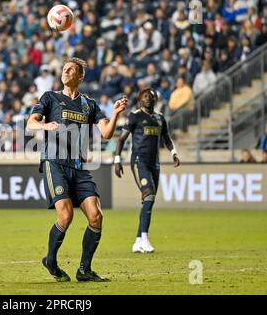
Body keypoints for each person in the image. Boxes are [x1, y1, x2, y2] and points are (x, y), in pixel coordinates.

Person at [27, 57, 127, 282]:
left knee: (96, 216)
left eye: (71, 69)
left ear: (80, 76)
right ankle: (51, 261)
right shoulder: (50, 97)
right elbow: (30, 123)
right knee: (66, 214)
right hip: (55, 162)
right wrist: (44, 125)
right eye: (64, 68)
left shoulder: (89, 104)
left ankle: (84, 270)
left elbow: (107, 133)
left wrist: (117, 114)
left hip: (80, 166)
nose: (65, 71)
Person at [114, 88, 180, 253]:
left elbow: (166, 138)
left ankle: (138, 241)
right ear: (139, 100)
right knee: (149, 196)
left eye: (151, 97)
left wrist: (174, 153)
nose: (149, 99)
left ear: (156, 99)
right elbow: (121, 139)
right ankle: (144, 237)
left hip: (155, 164)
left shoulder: (160, 118)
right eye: (145, 96)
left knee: (148, 201)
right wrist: (117, 160)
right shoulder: (135, 116)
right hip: (139, 162)